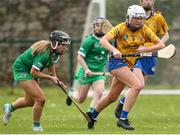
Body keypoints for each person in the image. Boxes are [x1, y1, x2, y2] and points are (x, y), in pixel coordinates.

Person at [86, 5, 165, 130]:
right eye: (136, 18)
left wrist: (147, 49)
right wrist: (114, 49)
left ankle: (92, 115)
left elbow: (161, 44)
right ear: (128, 17)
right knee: (137, 85)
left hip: (130, 64)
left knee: (112, 96)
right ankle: (122, 119)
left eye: (141, 18)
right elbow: (103, 41)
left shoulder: (144, 29)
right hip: (116, 63)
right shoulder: (120, 28)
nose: (139, 21)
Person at [2, 30, 71, 131]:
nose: (65, 48)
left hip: (30, 71)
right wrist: (50, 78)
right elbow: (33, 72)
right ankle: (36, 126)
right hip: (22, 70)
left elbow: (51, 64)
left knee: (29, 102)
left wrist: (55, 78)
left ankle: (9, 107)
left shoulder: (54, 53)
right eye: (63, 45)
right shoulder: (44, 53)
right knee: (40, 98)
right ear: (55, 43)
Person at [114, 0, 169, 121]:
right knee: (137, 85)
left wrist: (156, 46)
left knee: (140, 86)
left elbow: (166, 35)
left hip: (150, 55)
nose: (147, 1)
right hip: (135, 55)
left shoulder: (158, 17)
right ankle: (123, 115)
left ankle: (123, 101)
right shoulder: (133, 14)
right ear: (140, 1)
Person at [65, 17, 113, 113]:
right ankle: (71, 93)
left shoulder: (108, 40)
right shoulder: (89, 41)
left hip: (99, 72)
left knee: (99, 93)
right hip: (86, 72)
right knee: (80, 99)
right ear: (94, 27)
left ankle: (90, 113)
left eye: (102, 25)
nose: (99, 28)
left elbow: (109, 55)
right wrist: (86, 69)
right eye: (97, 25)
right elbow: (80, 57)